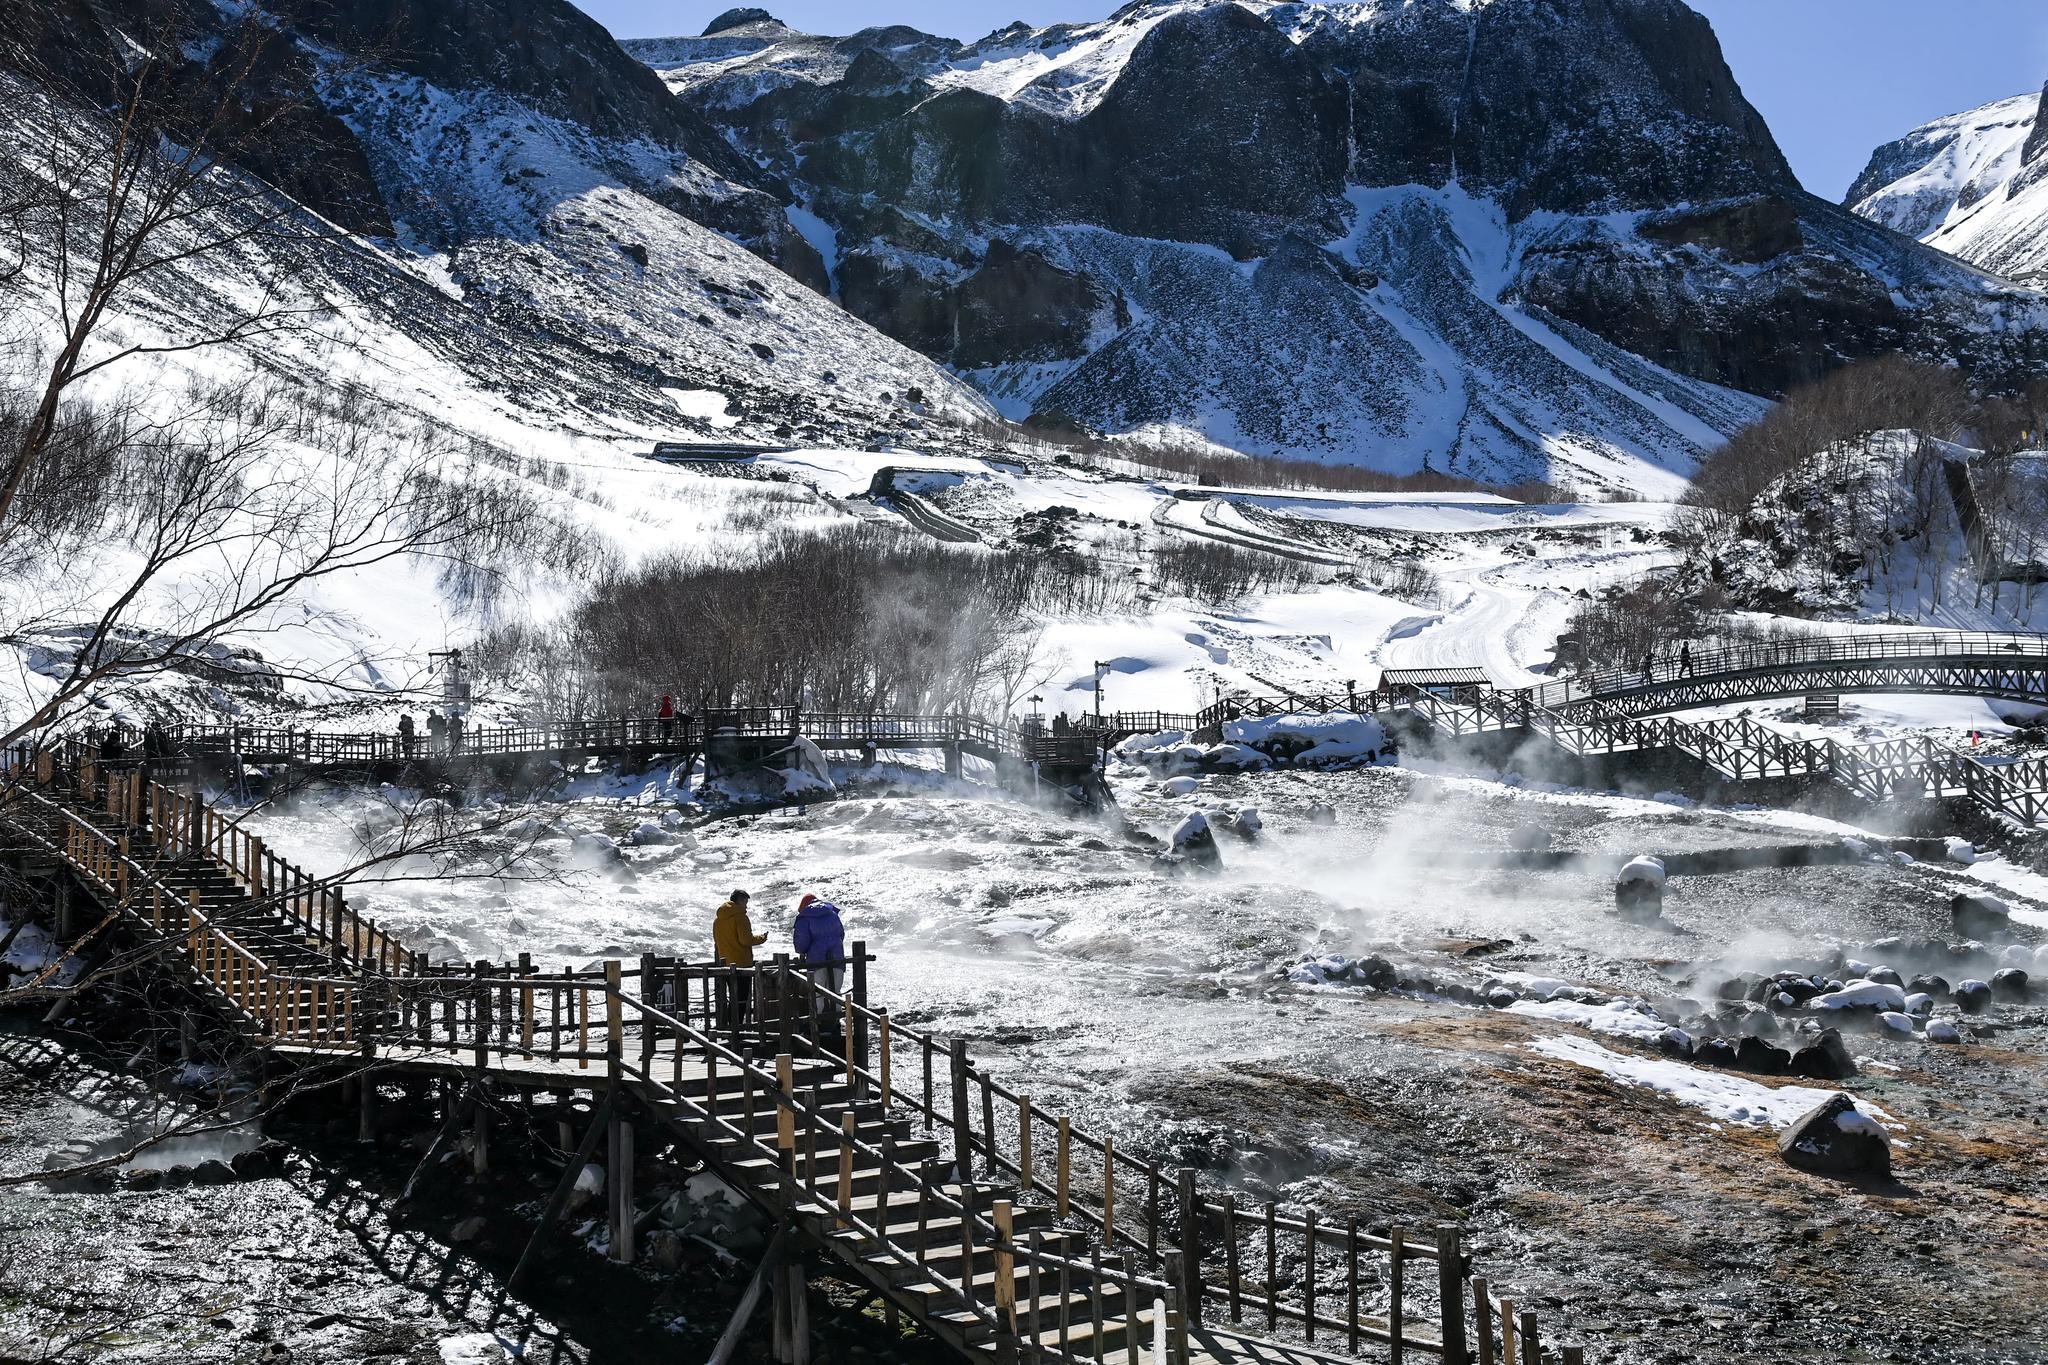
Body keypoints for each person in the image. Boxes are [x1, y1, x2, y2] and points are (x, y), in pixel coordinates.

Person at [713, 889, 768, 1028]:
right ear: (739, 900)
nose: (746, 906)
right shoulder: (740, 917)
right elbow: (745, 940)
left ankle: (727, 1027)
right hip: (742, 964)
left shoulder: (718, 920)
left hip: (725, 964)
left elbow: (716, 941)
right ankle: (737, 1028)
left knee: (731, 997)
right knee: (741, 998)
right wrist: (761, 938)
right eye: (745, 902)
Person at [792, 893, 846, 1023]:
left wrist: (803, 951)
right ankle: (837, 1023)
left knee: (818, 994)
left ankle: (817, 1025)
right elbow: (841, 934)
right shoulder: (832, 913)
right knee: (836, 992)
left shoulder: (805, 917)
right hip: (837, 957)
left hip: (816, 959)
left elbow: (801, 943)